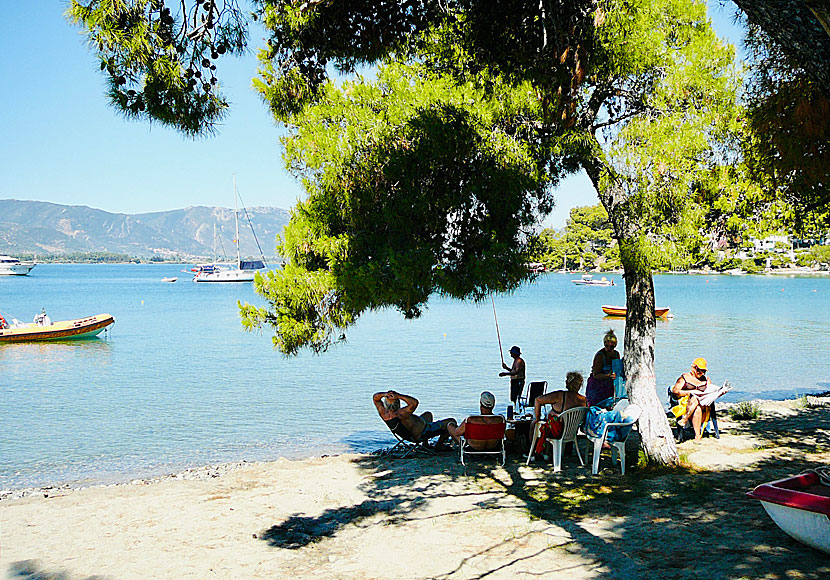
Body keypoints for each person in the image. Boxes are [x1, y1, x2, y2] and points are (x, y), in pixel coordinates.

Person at [671, 358, 731, 442]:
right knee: (696, 404)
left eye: (703, 371)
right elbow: (675, 391)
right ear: (694, 368)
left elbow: (710, 392)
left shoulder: (706, 380)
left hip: (704, 406)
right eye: (699, 370)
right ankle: (697, 436)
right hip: (687, 405)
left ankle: (684, 420)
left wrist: (720, 392)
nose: (701, 373)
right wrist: (690, 392)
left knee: (697, 400)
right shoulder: (684, 378)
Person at [530, 372, 587, 459]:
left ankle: (533, 453)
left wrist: (537, 418)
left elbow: (538, 400)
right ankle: (550, 452)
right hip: (571, 432)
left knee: (534, 425)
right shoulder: (584, 400)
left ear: (567, 383)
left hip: (556, 432)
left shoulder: (560, 395)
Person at [373, 390, 455, 449]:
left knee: (428, 414)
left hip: (408, 434)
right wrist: (399, 396)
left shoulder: (383, 413)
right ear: (398, 403)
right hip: (421, 433)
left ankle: (425, 444)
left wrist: (385, 394)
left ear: (385, 404)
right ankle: (439, 444)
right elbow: (414, 402)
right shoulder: (401, 413)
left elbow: (375, 398)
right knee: (451, 422)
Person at [586, 329, 621, 407]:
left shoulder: (616, 354)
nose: (609, 348)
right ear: (604, 344)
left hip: (609, 386)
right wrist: (608, 375)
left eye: (612, 346)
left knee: (609, 406)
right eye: (607, 346)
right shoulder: (600, 356)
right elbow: (596, 374)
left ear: (615, 345)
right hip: (597, 386)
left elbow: (617, 369)